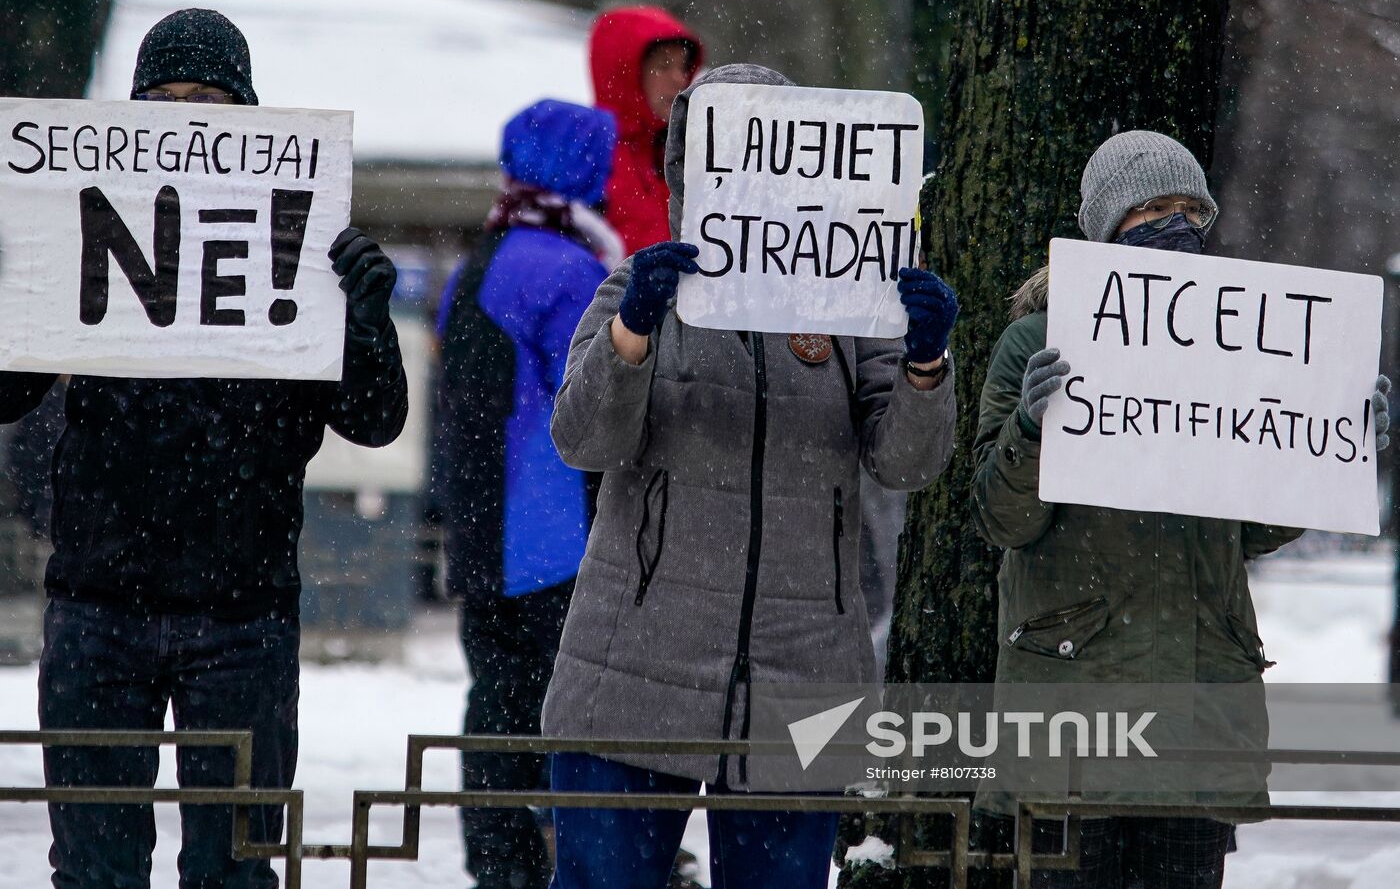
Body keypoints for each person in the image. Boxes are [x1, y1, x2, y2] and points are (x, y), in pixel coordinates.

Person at [0, 8, 408, 889]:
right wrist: (11, 280)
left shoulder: (295, 245)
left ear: (248, 117)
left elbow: (376, 421)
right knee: (95, 874)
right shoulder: (83, 230)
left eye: (209, 100)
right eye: (167, 100)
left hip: (243, 618)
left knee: (234, 874)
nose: (187, 119)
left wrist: (367, 323)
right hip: (98, 606)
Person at [540, 63, 960, 888]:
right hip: (632, 669)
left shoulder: (857, 310)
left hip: (804, 682)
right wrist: (630, 335)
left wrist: (926, 364)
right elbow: (583, 440)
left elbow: (909, 462)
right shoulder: (639, 288)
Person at [970, 129, 1391, 888]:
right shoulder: (1037, 343)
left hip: (1200, 711)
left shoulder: (1238, 353)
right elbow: (1003, 520)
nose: (1177, 226)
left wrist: (1337, 443)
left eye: (1191, 210)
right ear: (1106, 225)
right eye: (1153, 208)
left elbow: (1259, 528)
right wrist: (1030, 429)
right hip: (1079, 707)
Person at [436, 99, 620, 889]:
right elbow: (593, 405)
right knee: (557, 712)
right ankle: (544, 860)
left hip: (484, 531)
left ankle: (497, 859)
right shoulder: (573, 267)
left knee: (495, 703)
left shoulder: (481, 256)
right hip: (553, 536)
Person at [589, 5, 704, 257]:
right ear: (623, 70)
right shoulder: (587, 157)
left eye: (683, 67)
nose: (679, 79)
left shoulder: (692, 152)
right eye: (663, 66)